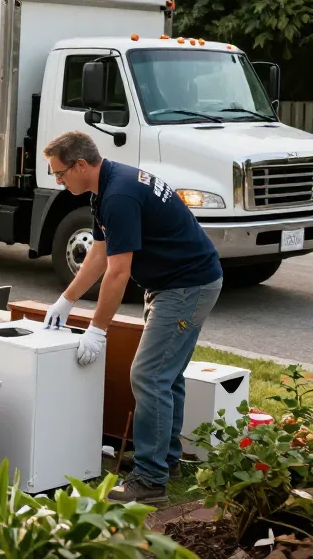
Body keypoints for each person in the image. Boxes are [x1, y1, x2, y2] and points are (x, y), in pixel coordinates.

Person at [41, 131, 222, 504]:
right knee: (165, 376)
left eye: (60, 174)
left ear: (80, 165)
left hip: (186, 287)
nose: (58, 181)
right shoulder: (106, 187)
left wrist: (97, 330)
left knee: (149, 374)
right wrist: (66, 300)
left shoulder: (119, 194)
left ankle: (150, 480)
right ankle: (163, 459)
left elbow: (118, 273)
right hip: (175, 282)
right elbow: (99, 255)